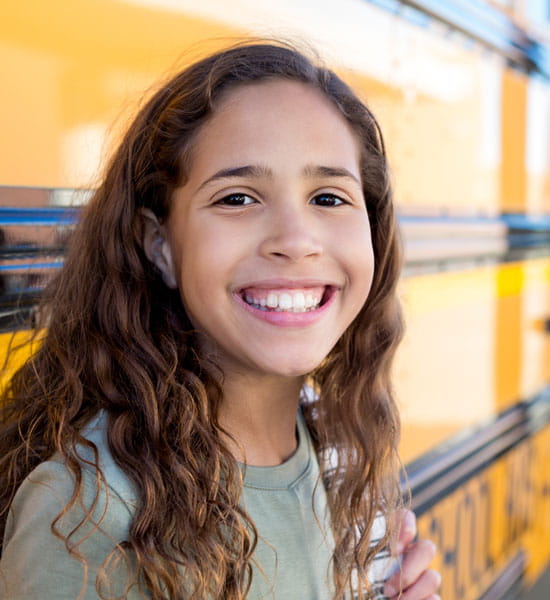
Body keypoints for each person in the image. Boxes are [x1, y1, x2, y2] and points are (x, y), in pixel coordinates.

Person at [0, 42, 440, 599]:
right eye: (237, 198)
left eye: (329, 198)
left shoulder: (338, 448)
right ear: (159, 244)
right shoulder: (90, 518)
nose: (295, 241)